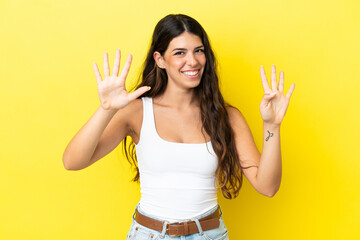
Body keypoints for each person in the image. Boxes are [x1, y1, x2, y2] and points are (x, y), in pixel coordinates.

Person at [63, 13, 295, 240]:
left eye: (198, 51)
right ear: (160, 59)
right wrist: (106, 109)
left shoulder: (227, 116)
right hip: (150, 234)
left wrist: (271, 125)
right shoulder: (135, 112)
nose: (192, 61)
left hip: (210, 234)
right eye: (179, 53)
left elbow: (267, 187)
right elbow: (72, 161)